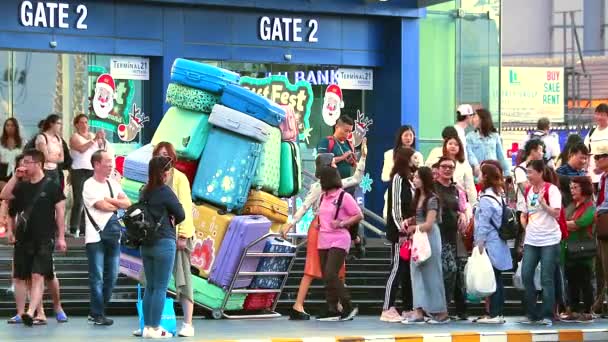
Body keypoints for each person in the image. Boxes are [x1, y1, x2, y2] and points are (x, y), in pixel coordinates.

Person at [282, 140, 367, 320]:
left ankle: (335, 306)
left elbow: (356, 179)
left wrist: (363, 158)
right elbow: (305, 205)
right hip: (320, 228)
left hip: (334, 231)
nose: (337, 165)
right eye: (334, 163)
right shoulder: (318, 187)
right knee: (315, 269)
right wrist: (292, 222)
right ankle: (302, 304)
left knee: (335, 271)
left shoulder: (336, 187)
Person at [5, 149, 67, 327]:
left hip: (44, 238)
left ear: (38, 164)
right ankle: (23, 312)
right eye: (22, 162)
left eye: (27, 162)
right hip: (24, 238)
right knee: (21, 276)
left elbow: (60, 213)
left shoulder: (52, 186)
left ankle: (34, 312)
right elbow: (4, 196)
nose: (23, 166)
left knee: (40, 275)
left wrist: (61, 236)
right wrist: (15, 177)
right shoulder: (21, 186)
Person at [151, 142, 195, 337]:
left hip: (177, 237)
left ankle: (188, 323)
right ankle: (150, 322)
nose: (162, 158)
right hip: (157, 238)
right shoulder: (152, 180)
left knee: (183, 279)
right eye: (159, 154)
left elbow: (184, 207)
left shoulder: (179, 179)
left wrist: (183, 235)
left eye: (165, 155)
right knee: (151, 282)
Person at [138, 156, 185, 338]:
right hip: (164, 242)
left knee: (150, 287)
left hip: (146, 244)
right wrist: (171, 218)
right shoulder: (165, 191)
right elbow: (181, 214)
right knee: (160, 287)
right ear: (164, 173)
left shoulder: (144, 191)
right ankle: (155, 327)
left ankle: (147, 328)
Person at [83, 150, 131, 326]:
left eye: (112, 162)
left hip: (113, 235)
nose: (111, 165)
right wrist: (114, 203)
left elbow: (127, 204)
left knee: (112, 276)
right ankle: (97, 314)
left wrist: (110, 200)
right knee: (97, 277)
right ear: (96, 164)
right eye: (108, 162)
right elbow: (101, 206)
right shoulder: (89, 184)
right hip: (95, 237)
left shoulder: (113, 184)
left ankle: (98, 310)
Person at [315, 166, 362, 321]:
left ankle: (348, 305)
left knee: (331, 272)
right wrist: (319, 223)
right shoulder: (323, 197)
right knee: (326, 276)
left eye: (321, 178)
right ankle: (332, 308)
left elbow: (358, 215)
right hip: (323, 239)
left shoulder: (343, 196)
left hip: (339, 238)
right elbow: (322, 215)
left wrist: (342, 223)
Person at [403, 167, 449, 324]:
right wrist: (410, 221)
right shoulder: (418, 197)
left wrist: (413, 228)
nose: (414, 179)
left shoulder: (432, 199)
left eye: (417, 177)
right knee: (416, 272)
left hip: (429, 238)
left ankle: (441, 312)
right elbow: (420, 219)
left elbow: (429, 224)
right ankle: (419, 310)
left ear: (424, 179)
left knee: (432, 274)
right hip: (419, 238)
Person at [520, 160, 562, 326]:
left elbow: (557, 214)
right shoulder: (529, 190)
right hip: (532, 239)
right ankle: (531, 313)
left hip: (550, 239)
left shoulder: (552, 190)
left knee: (546, 278)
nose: (528, 176)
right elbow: (524, 213)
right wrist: (526, 226)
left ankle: (547, 314)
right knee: (526, 274)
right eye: (527, 172)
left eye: (530, 172)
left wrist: (544, 204)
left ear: (540, 172)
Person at [317, 114, 365, 257]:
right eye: (345, 130)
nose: (347, 134)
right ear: (337, 126)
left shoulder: (348, 143)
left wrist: (352, 161)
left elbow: (352, 163)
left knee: (353, 212)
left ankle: (354, 239)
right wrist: (342, 157)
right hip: (331, 185)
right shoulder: (327, 142)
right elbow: (322, 160)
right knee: (332, 213)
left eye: (350, 131)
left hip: (347, 184)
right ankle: (354, 240)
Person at [474, 163, 512, 324]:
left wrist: (479, 243)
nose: (479, 177)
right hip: (498, 241)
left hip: (489, 242)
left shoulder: (486, 199)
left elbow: (483, 223)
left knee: (493, 278)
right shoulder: (498, 195)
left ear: (486, 177)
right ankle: (498, 312)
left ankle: (494, 313)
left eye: (481, 174)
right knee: (497, 278)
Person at [380, 147, 415, 322]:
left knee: (407, 271)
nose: (416, 160)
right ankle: (387, 308)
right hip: (400, 233)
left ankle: (408, 307)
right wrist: (401, 228)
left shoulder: (409, 180)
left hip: (410, 233)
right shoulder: (398, 179)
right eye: (413, 157)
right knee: (396, 268)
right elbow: (396, 206)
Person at [433, 157, 468, 320]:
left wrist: (462, 214)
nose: (447, 169)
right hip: (437, 235)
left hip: (453, 236)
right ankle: (442, 308)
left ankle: (455, 309)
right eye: (444, 166)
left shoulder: (456, 189)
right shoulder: (433, 188)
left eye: (451, 167)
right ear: (438, 169)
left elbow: (461, 208)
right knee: (449, 270)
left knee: (455, 273)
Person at [561, 176, 595, 323]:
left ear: (584, 188)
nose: (572, 190)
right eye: (571, 188)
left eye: (576, 187)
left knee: (585, 281)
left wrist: (564, 223)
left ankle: (587, 311)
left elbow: (579, 223)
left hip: (583, 250)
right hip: (568, 249)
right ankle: (573, 310)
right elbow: (563, 219)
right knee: (572, 281)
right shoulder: (571, 206)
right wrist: (565, 223)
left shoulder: (591, 207)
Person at [69, 114, 108, 237]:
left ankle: (84, 227)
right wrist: (94, 139)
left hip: (91, 170)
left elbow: (100, 151)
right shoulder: (75, 137)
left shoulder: (92, 136)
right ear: (76, 124)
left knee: (89, 200)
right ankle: (73, 227)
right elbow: (81, 149)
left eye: (86, 122)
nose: (84, 125)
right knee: (78, 200)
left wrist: (102, 140)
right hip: (79, 170)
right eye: (81, 122)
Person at [382, 126, 424, 219]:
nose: (408, 138)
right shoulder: (389, 154)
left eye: (411, 135)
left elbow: (422, 177)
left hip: (413, 195)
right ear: (400, 137)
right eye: (406, 135)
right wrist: (402, 174)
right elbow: (385, 177)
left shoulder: (418, 156)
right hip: (396, 193)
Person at [426, 136, 477, 207]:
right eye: (450, 144)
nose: (453, 146)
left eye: (456, 145)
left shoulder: (464, 164)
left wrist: (472, 205)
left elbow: (470, 186)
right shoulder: (437, 161)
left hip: (457, 198)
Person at [466, 108, 510, 178]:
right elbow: (470, 154)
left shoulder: (495, 136)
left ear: (482, 119)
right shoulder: (470, 137)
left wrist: (507, 173)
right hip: (479, 174)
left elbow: (501, 156)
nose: (473, 120)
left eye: (475, 117)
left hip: (494, 173)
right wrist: (476, 165)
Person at [593, 145, 608, 315]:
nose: (596, 160)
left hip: (605, 221)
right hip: (603, 225)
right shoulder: (603, 177)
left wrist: (597, 211)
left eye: (600, 157)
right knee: (602, 266)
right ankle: (601, 303)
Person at [35, 114, 64, 188]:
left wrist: (52, 157)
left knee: (55, 194)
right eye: (58, 123)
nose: (60, 126)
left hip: (54, 170)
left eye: (60, 124)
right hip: (44, 170)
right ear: (51, 124)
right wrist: (55, 157)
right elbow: (45, 157)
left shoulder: (58, 138)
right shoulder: (42, 137)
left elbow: (62, 158)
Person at [556, 143, 589, 207]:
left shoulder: (583, 172)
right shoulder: (560, 172)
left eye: (585, 158)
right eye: (581, 158)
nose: (583, 161)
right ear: (571, 155)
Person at [585, 104, 608, 188]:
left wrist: (602, 167)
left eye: (602, 114)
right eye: (597, 114)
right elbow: (586, 152)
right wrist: (586, 170)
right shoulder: (592, 132)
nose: (599, 117)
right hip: (592, 173)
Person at [0, 118, 23, 187]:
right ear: (4, 127)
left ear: (16, 127)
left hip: (17, 171)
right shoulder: (0, 141)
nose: (10, 127)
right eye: (7, 125)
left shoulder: (22, 142)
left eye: (12, 125)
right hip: (2, 170)